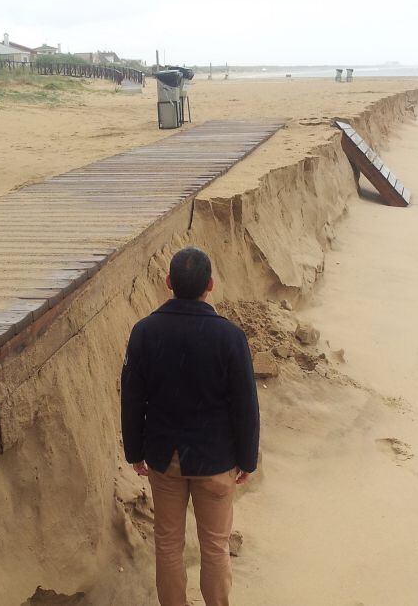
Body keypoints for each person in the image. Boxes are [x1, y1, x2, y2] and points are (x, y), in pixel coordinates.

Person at [121, 246, 260, 606]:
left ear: (168, 282)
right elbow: (245, 404)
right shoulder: (230, 337)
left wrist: (134, 451)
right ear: (210, 285)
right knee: (215, 547)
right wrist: (247, 459)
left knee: (168, 543)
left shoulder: (145, 332)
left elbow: (133, 398)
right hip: (215, 458)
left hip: (165, 458)